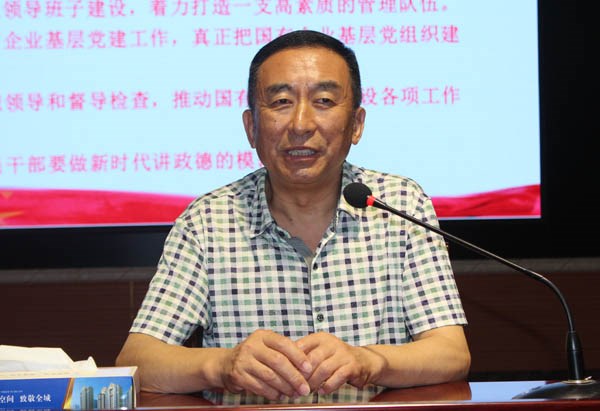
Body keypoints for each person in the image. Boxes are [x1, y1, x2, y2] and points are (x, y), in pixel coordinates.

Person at [116, 29, 470, 400]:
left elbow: (451, 353)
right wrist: (223, 365)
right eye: (281, 102)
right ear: (251, 127)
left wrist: (369, 361)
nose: (301, 124)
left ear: (356, 124)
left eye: (324, 101)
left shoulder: (400, 205)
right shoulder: (208, 222)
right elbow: (139, 361)